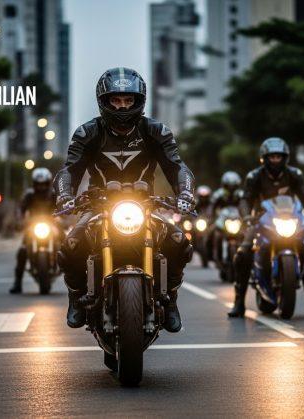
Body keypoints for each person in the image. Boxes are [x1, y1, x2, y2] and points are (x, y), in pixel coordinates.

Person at [54, 67, 195, 332]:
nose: (122, 107)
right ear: (104, 101)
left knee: (180, 243)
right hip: (98, 206)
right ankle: (76, 296)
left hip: (145, 206)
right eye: (116, 100)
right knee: (70, 245)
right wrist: (65, 196)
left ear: (138, 101)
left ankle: (171, 298)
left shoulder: (156, 131)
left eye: (128, 100)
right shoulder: (87, 133)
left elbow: (178, 167)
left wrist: (186, 194)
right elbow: (68, 171)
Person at [228, 137, 304, 317]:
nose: (275, 160)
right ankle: (239, 302)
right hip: (260, 221)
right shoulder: (254, 176)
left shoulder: (295, 174)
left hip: (291, 220)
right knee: (243, 254)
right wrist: (246, 217)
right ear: (264, 158)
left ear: (285, 157)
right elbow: (245, 199)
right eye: (272, 157)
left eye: (278, 156)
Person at [10, 167, 57, 294]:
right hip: (33, 226)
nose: (41, 187)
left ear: (48, 183)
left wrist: (64, 219)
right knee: (22, 250)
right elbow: (21, 209)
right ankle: (17, 282)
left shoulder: (53, 194)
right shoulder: (29, 195)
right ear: (34, 183)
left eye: (44, 184)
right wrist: (20, 220)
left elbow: (62, 207)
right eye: (38, 184)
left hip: (52, 225)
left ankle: (75, 280)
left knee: (67, 245)